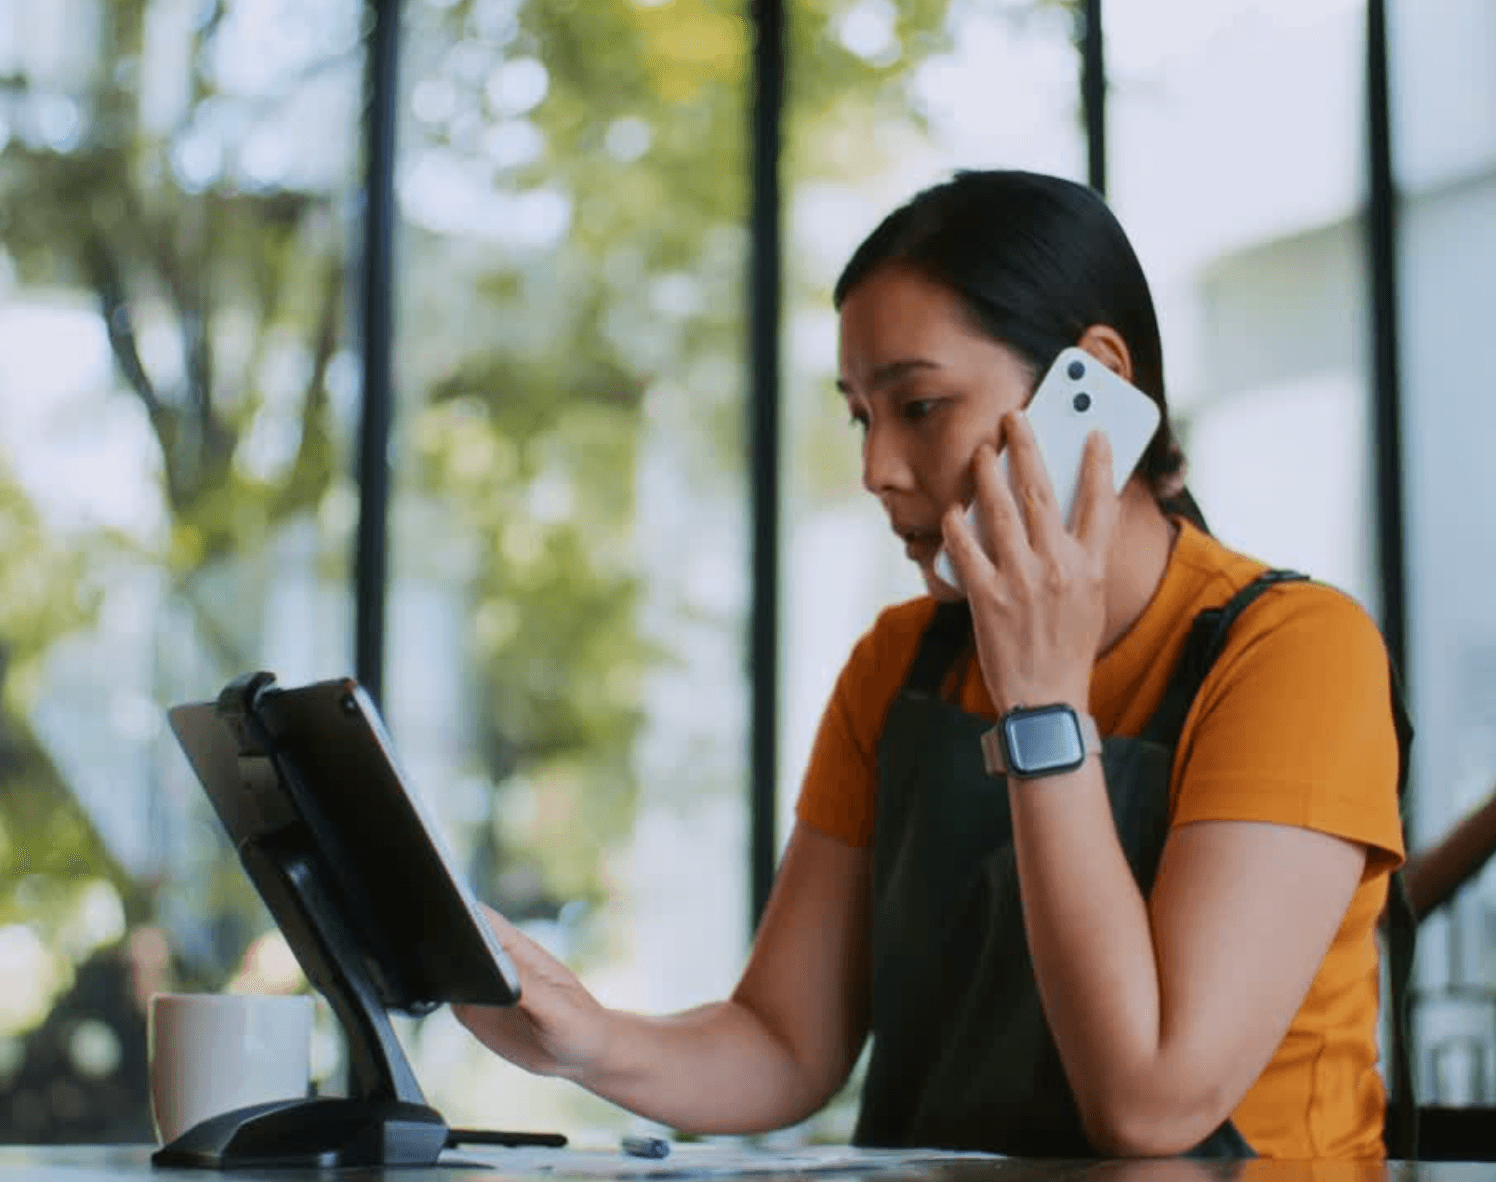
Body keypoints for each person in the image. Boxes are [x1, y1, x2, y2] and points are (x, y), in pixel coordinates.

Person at [454, 170, 1407, 1161]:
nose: (875, 469)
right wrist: (591, 1041)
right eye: (860, 416)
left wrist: (1040, 701)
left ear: (1095, 384)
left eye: (918, 404)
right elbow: (785, 1042)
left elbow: (1152, 1105)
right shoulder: (897, 666)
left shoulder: (1291, 653)